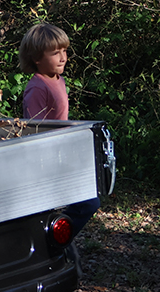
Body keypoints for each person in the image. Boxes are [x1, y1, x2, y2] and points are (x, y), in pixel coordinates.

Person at [18, 22, 100, 234]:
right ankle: (53, 242)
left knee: (88, 203)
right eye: (55, 53)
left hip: (62, 154)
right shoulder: (37, 86)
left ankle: (57, 241)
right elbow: (35, 128)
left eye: (64, 51)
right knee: (86, 203)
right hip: (46, 159)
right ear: (37, 58)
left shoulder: (58, 80)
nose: (63, 57)